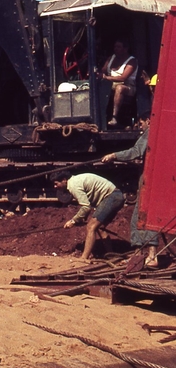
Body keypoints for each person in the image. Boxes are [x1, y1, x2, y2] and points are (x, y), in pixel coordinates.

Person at [101, 76, 160, 267]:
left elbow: (135, 151)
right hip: (153, 177)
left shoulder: (151, 131)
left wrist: (113, 155)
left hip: (151, 178)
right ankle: (140, 253)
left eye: (141, 123)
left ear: (147, 121)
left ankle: (150, 255)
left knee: (146, 215)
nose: (140, 126)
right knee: (141, 215)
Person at [51, 171, 125, 260]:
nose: (55, 187)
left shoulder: (73, 186)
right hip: (115, 195)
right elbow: (86, 206)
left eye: (56, 184)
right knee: (100, 227)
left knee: (91, 226)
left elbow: (86, 207)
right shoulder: (74, 181)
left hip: (111, 196)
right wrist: (80, 220)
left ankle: (84, 258)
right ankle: (111, 254)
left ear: (64, 180)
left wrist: (73, 220)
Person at [99, 39, 138, 126]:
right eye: (115, 47)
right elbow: (103, 71)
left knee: (119, 88)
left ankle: (114, 117)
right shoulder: (111, 58)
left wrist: (106, 77)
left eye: (119, 47)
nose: (116, 49)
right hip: (110, 85)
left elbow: (123, 78)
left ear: (125, 49)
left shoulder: (132, 61)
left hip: (128, 86)